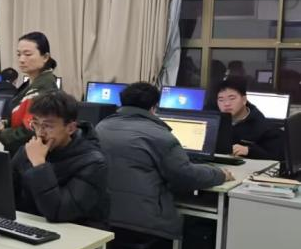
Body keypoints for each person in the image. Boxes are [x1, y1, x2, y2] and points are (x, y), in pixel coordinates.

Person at [96, 82, 232, 240]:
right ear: (154, 108)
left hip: (103, 216)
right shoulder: (160, 135)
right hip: (144, 221)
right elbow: (185, 175)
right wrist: (219, 174)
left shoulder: (100, 127)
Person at [11, 91, 109, 224]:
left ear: (70, 128)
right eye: (35, 124)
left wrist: (39, 165)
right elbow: (5, 194)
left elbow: (58, 212)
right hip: (32, 224)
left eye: (47, 126)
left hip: (77, 231)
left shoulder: (93, 162)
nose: (40, 133)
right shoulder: (28, 151)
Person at [0, 32, 60, 155]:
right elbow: (19, 114)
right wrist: (5, 123)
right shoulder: (32, 82)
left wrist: (1, 133)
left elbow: (31, 131)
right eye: (19, 54)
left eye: (28, 54)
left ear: (45, 57)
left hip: (28, 155)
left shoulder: (44, 87)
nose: (21, 59)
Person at [215, 76, 284, 160]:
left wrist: (249, 150)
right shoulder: (214, 122)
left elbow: (276, 156)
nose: (226, 104)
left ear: (244, 100)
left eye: (232, 98)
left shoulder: (263, 126)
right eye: (221, 100)